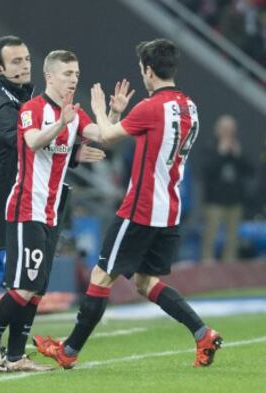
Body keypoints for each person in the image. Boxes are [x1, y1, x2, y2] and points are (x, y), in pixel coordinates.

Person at [33, 38, 223, 369]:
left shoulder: (151, 107)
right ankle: (202, 333)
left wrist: (100, 109)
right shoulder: (189, 105)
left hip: (141, 208)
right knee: (144, 282)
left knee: (101, 275)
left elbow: (106, 136)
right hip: (170, 209)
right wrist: (117, 114)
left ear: (148, 70)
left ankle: (69, 351)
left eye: (141, 70)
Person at [0, 49, 134, 372]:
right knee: (24, 285)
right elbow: (32, 142)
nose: (73, 79)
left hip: (52, 212)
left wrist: (114, 115)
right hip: (26, 208)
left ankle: (17, 355)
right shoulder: (30, 109)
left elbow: (104, 137)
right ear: (49, 76)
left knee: (37, 290)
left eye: (76, 74)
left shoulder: (75, 114)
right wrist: (61, 124)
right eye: (67, 74)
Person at [0, 36, 104, 373]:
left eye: (26, 59)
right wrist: (71, 147)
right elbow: (26, 141)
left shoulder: (16, 97)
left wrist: (71, 150)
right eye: (16, 61)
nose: (24, 66)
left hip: (1, 199)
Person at [200, 114, 253, 264]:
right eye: (225, 129)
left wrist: (239, 156)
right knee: (211, 236)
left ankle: (229, 269)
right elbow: (206, 171)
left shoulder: (238, 148)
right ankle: (207, 267)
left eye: (231, 129)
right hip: (214, 201)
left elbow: (250, 171)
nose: (228, 133)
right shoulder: (210, 147)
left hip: (234, 201)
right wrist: (221, 154)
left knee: (232, 239)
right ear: (217, 130)